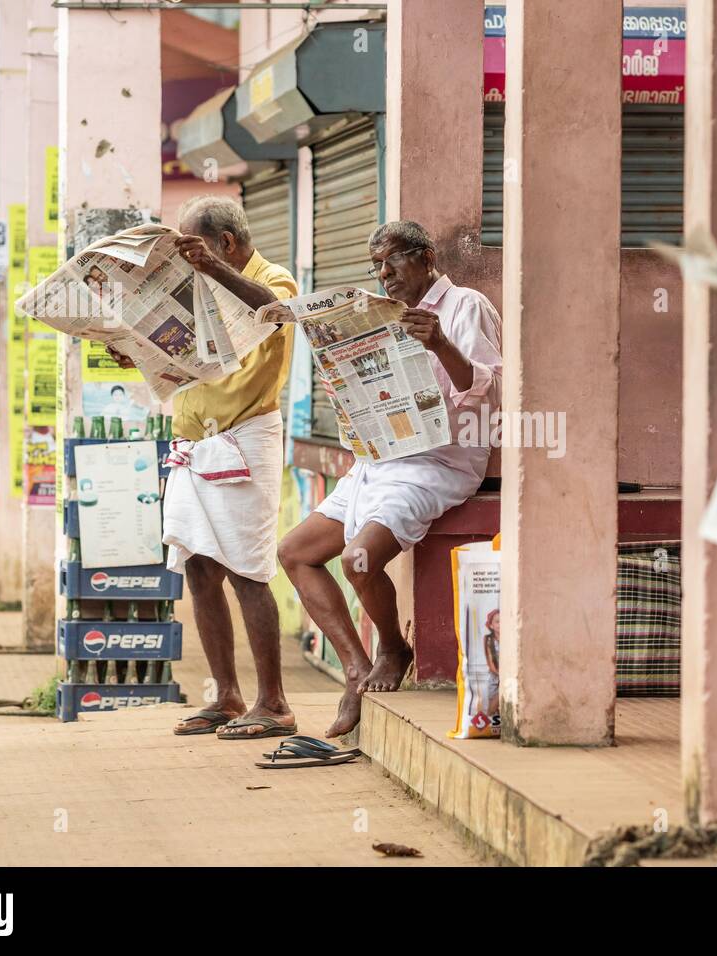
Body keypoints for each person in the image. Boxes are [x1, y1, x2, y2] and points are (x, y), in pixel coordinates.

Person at [278, 220, 502, 738]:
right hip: (378, 461)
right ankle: (357, 666)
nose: (384, 274)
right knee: (294, 553)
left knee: (358, 560)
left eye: (393, 262)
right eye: (377, 266)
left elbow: (486, 391)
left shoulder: (466, 306)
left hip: (438, 463)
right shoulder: (382, 315)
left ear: (425, 259)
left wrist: (442, 343)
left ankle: (393, 648)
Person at [107, 196, 299, 740]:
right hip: (192, 442)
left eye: (193, 249)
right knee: (197, 567)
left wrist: (210, 268)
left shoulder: (270, 277)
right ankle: (227, 695)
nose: (188, 261)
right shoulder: (199, 285)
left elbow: (278, 313)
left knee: (247, 570)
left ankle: (275, 702)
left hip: (244, 438)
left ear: (226, 244)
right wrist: (140, 351)